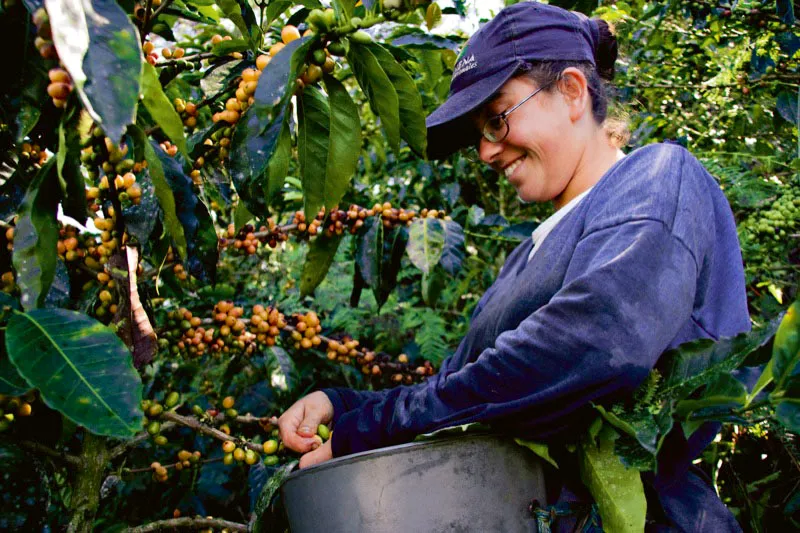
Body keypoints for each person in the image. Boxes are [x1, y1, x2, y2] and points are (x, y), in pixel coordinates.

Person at [279, 2, 750, 530]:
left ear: (572, 90)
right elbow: (462, 393)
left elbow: (593, 344)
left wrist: (366, 428)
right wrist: (342, 408)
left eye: (498, 118)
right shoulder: (526, 257)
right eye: (480, 132)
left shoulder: (658, 177)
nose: (485, 150)